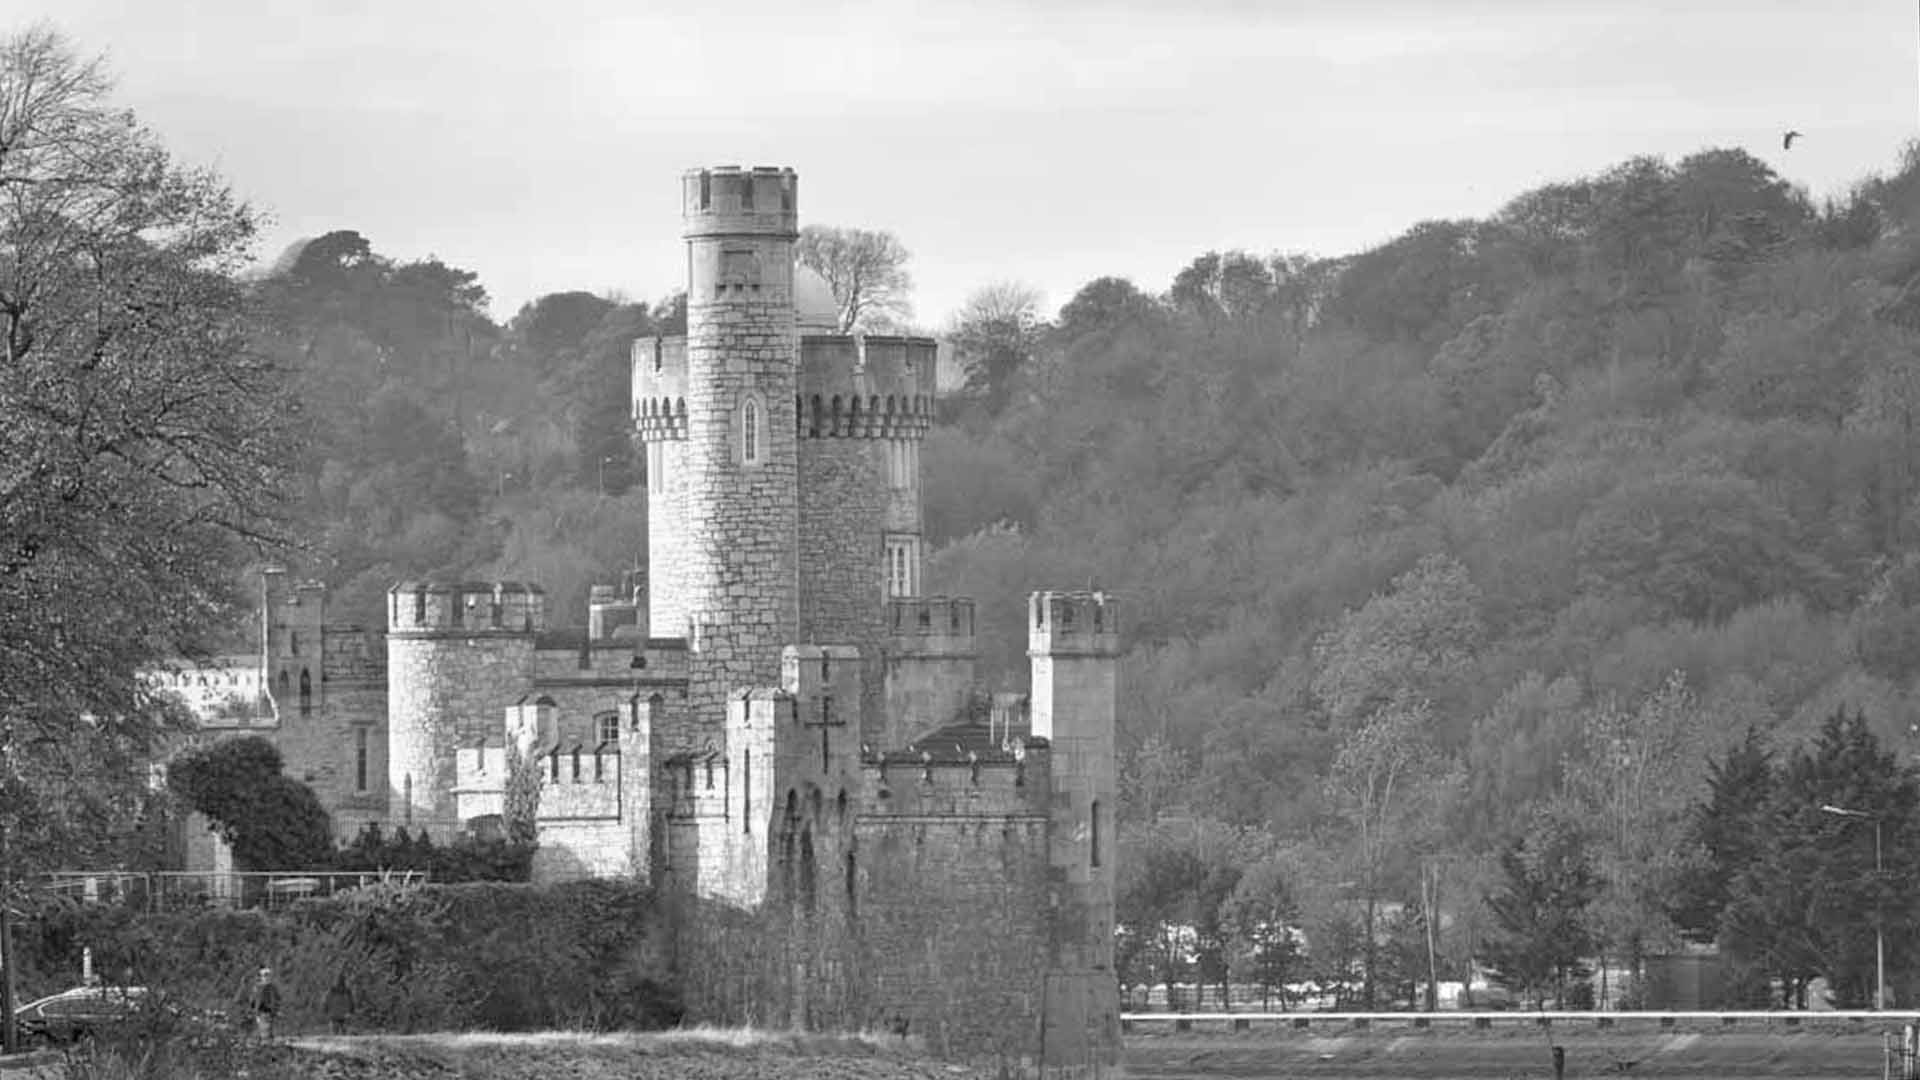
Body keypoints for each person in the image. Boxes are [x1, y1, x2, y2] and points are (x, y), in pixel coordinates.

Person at [250, 966, 281, 1039]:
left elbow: (277, 1000)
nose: (265, 977)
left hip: (267, 1013)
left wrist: (276, 1010)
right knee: (264, 1032)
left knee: (267, 1031)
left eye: (267, 975)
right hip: (262, 1012)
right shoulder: (258, 987)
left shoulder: (271, 987)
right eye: (264, 975)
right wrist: (256, 1012)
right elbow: (254, 1001)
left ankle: (267, 1043)